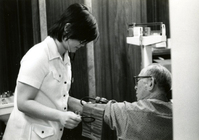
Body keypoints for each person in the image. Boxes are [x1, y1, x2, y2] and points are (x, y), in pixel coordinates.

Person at [3, 3, 99, 140]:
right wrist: (60, 116)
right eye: (81, 40)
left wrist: (86, 107)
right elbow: (23, 102)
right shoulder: (38, 55)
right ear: (67, 28)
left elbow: (58, 98)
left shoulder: (65, 57)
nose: (82, 45)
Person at [103, 63, 172, 140]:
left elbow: (100, 110)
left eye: (138, 80)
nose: (135, 87)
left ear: (151, 83)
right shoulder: (177, 115)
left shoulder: (131, 111)